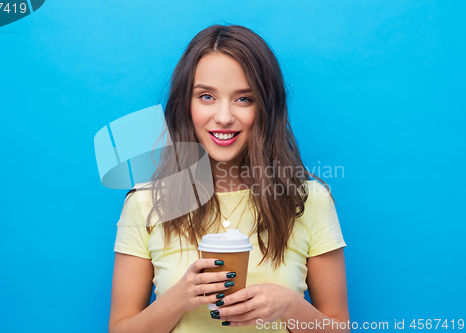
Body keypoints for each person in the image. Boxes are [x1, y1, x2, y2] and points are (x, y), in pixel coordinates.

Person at [108, 24, 350, 333]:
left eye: (243, 99)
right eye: (207, 96)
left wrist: (289, 305)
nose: (223, 117)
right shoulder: (145, 203)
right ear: (186, 106)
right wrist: (180, 298)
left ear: (266, 107)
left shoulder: (310, 200)